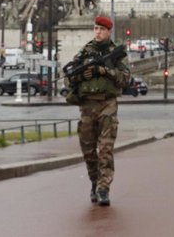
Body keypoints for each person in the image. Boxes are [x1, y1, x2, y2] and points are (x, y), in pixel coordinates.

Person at [67, 15, 130, 206]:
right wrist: (81, 77)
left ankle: (104, 188)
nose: (98, 32)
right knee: (87, 150)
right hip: (87, 106)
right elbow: (68, 78)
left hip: (107, 105)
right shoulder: (84, 53)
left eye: (101, 29)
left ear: (108, 31)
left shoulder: (116, 53)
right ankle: (94, 182)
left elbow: (126, 79)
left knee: (105, 149)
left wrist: (105, 71)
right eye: (95, 29)